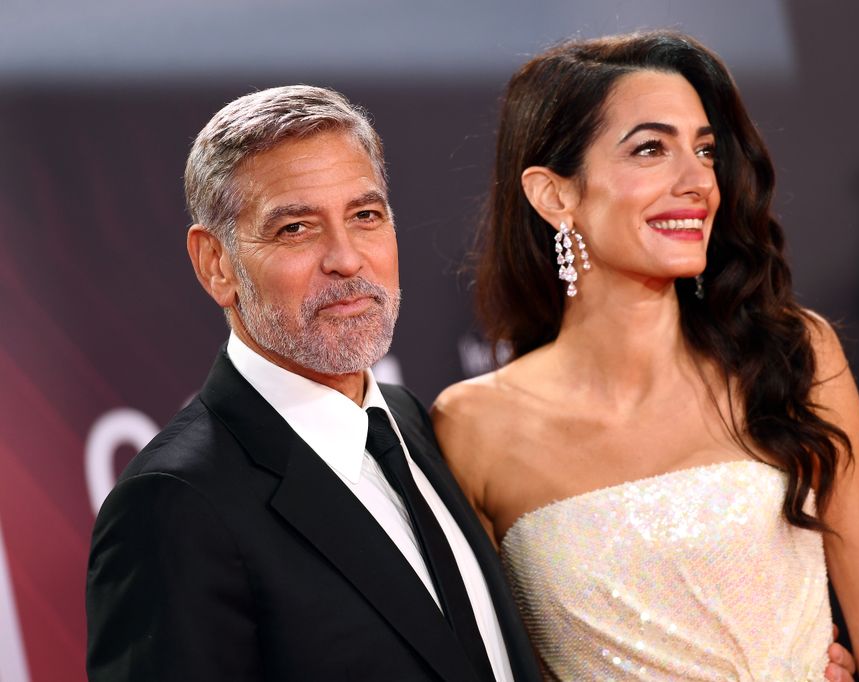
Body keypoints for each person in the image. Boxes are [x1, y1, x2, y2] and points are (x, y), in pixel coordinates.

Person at [432, 32, 859, 681]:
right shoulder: (473, 427)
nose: (697, 180)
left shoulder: (791, 355)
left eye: (703, 150)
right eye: (651, 149)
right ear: (555, 195)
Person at [85, 85, 543, 682]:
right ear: (216, 265)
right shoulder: (173, 506)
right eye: (296, 228)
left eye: (366, 215)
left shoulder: (407, 421)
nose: (347, 259)